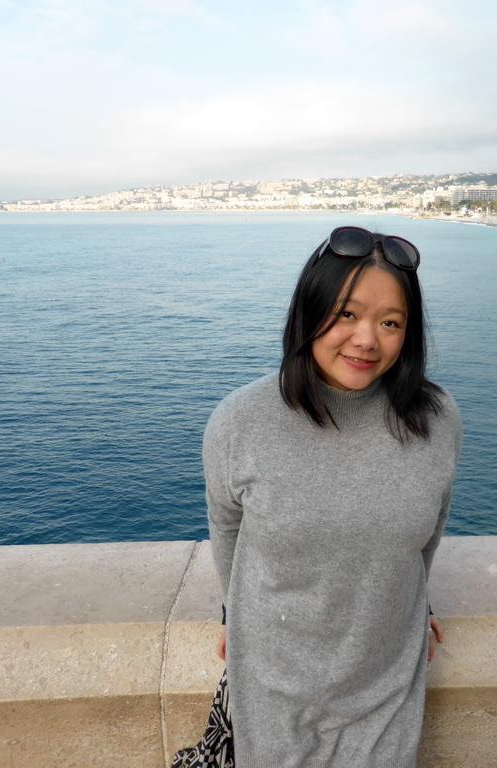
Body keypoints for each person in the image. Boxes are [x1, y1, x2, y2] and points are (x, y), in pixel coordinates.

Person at [197, 225, 462, 768]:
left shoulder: (436, 420)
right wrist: (234, 612)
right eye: (346, 314)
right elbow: (226, 528)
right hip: (272, 681)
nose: (367, 339)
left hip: (385, 681)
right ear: (308, 313)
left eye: (390, 322)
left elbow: (427, 530)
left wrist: (419, 602)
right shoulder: (240, 420)